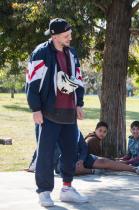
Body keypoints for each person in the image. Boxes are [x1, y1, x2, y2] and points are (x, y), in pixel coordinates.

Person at [26, 18, 87, 207]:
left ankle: (67, 188)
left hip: (69, 113)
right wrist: (35, 108)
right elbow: (32, 82)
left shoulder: (72, 53)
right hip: (48, 113)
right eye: (66, 35)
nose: (70, 38)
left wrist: (79, 103)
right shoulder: (41, 52)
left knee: (70, 152)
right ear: (54, 36)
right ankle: (44, 192)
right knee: (45, 154)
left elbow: (78, 78)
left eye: (70, 34)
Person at [60, 131, 139, 176]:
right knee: (68, 170)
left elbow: (83, 148)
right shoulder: (56, 129)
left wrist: (81, 159)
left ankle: (136, 169)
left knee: (104, 161)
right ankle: (91, 171)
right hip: (65, 161)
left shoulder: (75, 129)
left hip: (81, 158)